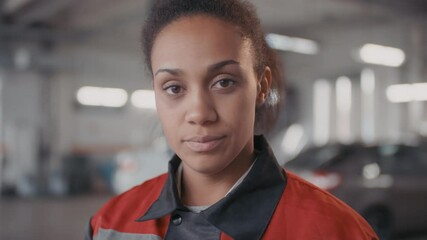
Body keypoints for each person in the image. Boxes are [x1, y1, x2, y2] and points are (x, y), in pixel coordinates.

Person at [86, 0, 379, 239]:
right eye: (174, 88)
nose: (200, 113)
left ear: (262, 87)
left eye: (224, 82)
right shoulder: (109, 225)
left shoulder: (335, 231)